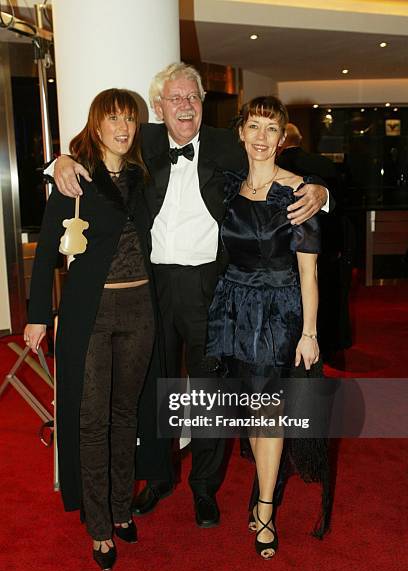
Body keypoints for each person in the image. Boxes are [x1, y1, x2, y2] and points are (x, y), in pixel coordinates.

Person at [50, 63, 330, 529]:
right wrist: (57, 162)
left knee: (209, 392)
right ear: (158, 107)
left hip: (212, 287)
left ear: (203, 104)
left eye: (193, 98)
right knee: (155, 386)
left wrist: (321, 193)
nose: (185, 106)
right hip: (152, 284)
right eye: (175, 99)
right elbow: (91, 156)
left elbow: (285, 166)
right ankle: (158, 477)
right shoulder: (145, 141)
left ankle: (204, 487)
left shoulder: (228, 142)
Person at [25, 89, 156, 571]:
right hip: (92, 312)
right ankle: (99, 525)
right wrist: (38, 314)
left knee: (126, 415)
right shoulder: (76, 177)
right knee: (92, 419)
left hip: (142, 307)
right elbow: (45, 253)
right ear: (97, 125)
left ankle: (122, 508)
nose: (123, 127)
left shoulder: (145, 173)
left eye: (130, 119)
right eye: (113, 119)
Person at [206, 97, 322, 559]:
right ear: (241, 133)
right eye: (253, 126)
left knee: (269, 411)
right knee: (251, 411)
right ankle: (263, 489)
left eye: (270, 129)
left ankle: (266, 509)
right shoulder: (228, 189)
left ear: (282, 137)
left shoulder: (300, 193)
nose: (260, 136)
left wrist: (309, 332)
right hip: (233, 310)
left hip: (279, 312)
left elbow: (309, 272)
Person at [279, 123, 354, 358]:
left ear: (282, 139)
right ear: (300, 139)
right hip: (330, 244)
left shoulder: (277, 166)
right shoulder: (323, 163)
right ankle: (332, 343)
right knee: (332, 295)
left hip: (287, 256)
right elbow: (341, 204)